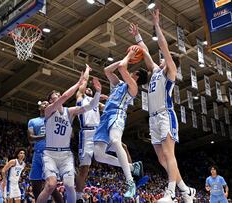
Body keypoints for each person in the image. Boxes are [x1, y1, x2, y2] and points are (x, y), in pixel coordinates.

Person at [128, 9, 195, 203]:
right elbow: (146, 52)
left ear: (171, 61)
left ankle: (171, 193)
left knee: (168, 154)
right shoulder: (156, 71)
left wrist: (156, 25)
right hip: (153, 118)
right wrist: (138, 36)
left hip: (166, 115)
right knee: (161, 159)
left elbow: (163, 47)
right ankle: (185, 190)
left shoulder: (170, 71)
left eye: (165, 57)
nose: (161, 57)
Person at [37, 72, 102, 203]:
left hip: (65, 154)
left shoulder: (69, 111)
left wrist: (98, 92)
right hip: (50, 154)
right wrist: (79, 83)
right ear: (50, 100)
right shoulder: (49, 110)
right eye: (55, 95)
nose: (59, 96)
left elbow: (91, 106)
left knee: (69, 186)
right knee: (50, 185)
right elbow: (66, 96)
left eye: (58, 94)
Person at [93, 47, 148, 199]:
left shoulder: (133, 87)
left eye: (133, 71)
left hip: (117, 114)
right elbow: (107, 70)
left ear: (136, 75)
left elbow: (122, 67)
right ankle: (132, 166)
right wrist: (125, 59)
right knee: (98, 155)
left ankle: (130, 182)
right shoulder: (119, 85)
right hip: (105, 117)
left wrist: (129, 55)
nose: (130, 71)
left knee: (116, 142)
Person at [27, 101, 63, 202]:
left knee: (51, 187)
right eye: (43, 103)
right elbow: (30, 138)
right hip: (37, 154)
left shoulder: (55, 120)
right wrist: (45, 136)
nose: (46, 104)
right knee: (35, 186)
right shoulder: (33, 121)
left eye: (48, 103)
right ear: (39, 107)